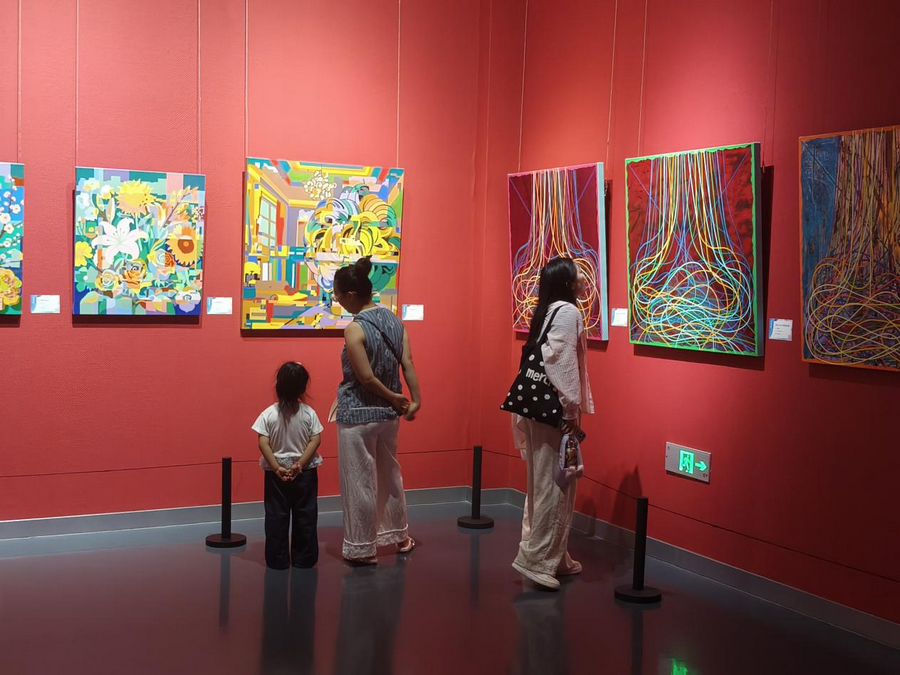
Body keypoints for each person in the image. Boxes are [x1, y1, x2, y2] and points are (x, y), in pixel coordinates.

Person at [512, 257, 594, 590]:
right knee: (556, 486)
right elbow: (560, 362)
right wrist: (570, 412)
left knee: (541, 483)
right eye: (579, 275)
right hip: (555, 412)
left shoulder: (546, 310)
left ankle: (554, 556)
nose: (584, 279)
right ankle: (537, 561)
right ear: (568, 283)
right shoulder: (569, 312)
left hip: (535, 408)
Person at [333, 256, 421, 564]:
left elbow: (365, 378)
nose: (336, 299)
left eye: (338, 294)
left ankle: (362, 548)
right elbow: (407, 362)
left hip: (358, 415)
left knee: (359, 481)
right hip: (388, 417)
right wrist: (412, 398)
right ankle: (400, 537)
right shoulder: (395, 321)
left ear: (351, 295)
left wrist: (394, 397)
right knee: (390, 476)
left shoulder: (354, 329)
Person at [252, 361, 324, 569]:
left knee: (276, 516)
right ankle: (305, 558)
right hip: (305, 472)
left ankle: (277, 559)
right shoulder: (309, 413)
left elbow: (263, 442)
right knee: (306, 515)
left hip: (276, 475)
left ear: (278, 386)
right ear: (303, 388)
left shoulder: (268, 414)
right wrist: (299, 464)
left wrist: (276, 467)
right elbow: (315, 440)